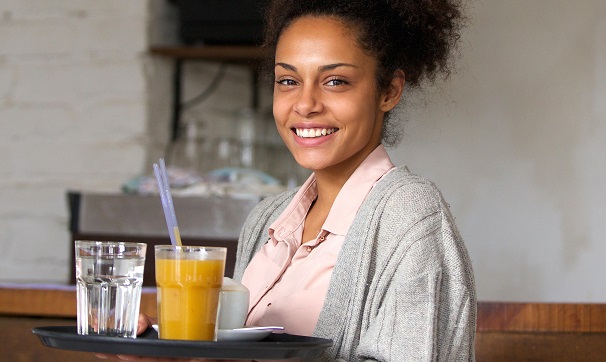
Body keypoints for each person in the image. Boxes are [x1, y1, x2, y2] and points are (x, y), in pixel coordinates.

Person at [105, 0, 474, 361]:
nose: (305, 103)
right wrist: (174, 356)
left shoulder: (409, 216)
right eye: (288, 80)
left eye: (335, 80)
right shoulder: (266, 220)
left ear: (389, 91)